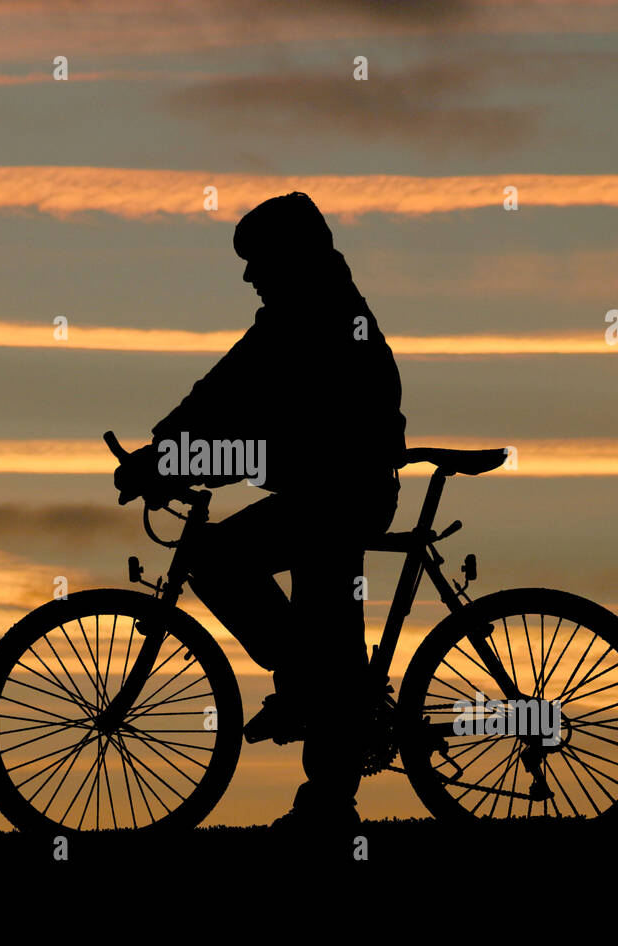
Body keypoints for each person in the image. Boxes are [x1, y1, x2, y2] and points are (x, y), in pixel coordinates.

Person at [114, 192, 406, 830]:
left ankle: (314, 704)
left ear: (288, 256)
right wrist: (170, 454)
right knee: (326, 642)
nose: (249, 276)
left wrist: (168, 459)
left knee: (219, 561)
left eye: (257, 261)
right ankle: (324, 744)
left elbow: (243, 406)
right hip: (331, 494)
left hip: (338, 498)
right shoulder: (312, 309)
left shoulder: (314, 316)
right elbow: (230, 398)